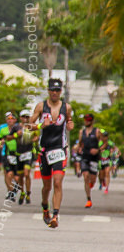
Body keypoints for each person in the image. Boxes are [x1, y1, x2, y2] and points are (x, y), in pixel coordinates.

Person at [26, 77, 73, 229]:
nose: (54, 93)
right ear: (48, 91)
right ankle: (45, 207)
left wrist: (71, 124)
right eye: (52, 90)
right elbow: (28, 126)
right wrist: (40, 124)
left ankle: (55, 215)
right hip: (44, 150)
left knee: (58, 182)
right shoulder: (41, 106)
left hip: (59, 149)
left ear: (61, 92)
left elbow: (69, 121)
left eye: (57, 90)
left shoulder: (67, 107)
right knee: (47, 186)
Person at [76, 113, 102, 208]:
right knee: (86, 176)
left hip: (94, 158)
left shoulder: (97, 131)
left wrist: (98, 150)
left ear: (92, 121)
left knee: (93, 179)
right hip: (85, 157)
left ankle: (91, 184)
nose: (87, 121)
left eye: (89, 120)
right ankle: (88, 199)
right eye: (86, 119)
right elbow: (79, 143)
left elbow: (104, 143)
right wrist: (77, 148)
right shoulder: (81, 132)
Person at [0, 111, 22, 201]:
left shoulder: (18, 127)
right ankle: (10, 191)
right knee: (8, 174)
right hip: (6, 153)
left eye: (11, 118)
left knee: (18, 176)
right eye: (8, 118)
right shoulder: (2, 128)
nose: (10, 120)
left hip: (18, 153)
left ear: (15, 120)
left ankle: (14, 190)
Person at [15, 109, 35, 205]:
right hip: (19, 153)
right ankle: (22, 192)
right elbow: (10, 136)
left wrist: (34, 139)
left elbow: (37, 135)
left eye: (27, 117)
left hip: (28, 152)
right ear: (20, 118)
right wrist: (16, 135)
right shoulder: (16, 127)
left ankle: (28, 193)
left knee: (27, 174)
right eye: (24, 117)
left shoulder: (31, 126)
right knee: (20, 176)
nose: (25, 118)